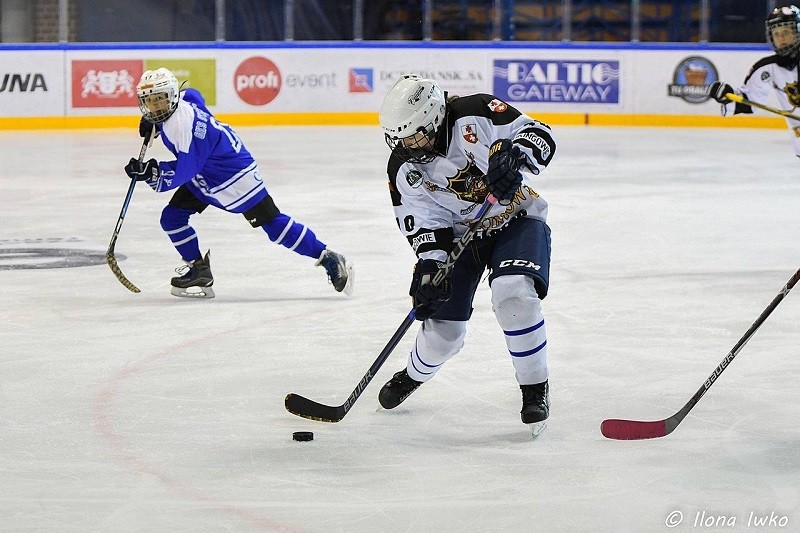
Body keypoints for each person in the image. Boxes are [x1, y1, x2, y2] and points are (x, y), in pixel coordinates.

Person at [376, 74, 557, 434]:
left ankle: (535, 388)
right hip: (462, 237)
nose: (407, 145)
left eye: (414, 135)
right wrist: (429, 269)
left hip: (516, 217)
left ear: (434, 118)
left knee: (514, 296)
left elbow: (541, 134)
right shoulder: (404, 168)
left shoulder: (475, 113)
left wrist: (514, 156)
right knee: (443, 333)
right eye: (400, 138)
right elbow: (426, 226)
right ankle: (413, 375)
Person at [124, 67, 353, 298]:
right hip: (208, 171)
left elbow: (186, 170)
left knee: (273, 225)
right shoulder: (181, 104)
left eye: (159, 101)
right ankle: (199, 269)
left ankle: (328, 257)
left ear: (171, 97)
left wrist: (149, 171)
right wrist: (156, 125)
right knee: (172, 217)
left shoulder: (183, 126)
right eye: (150, 102)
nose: (154, 107)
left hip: (234, 176)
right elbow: (194, 95)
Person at [709, 5, 800, 159]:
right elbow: (748, 102)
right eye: (776, 34)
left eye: (786, 32)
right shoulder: (767, 68)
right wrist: (727, 96)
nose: (781, 38)